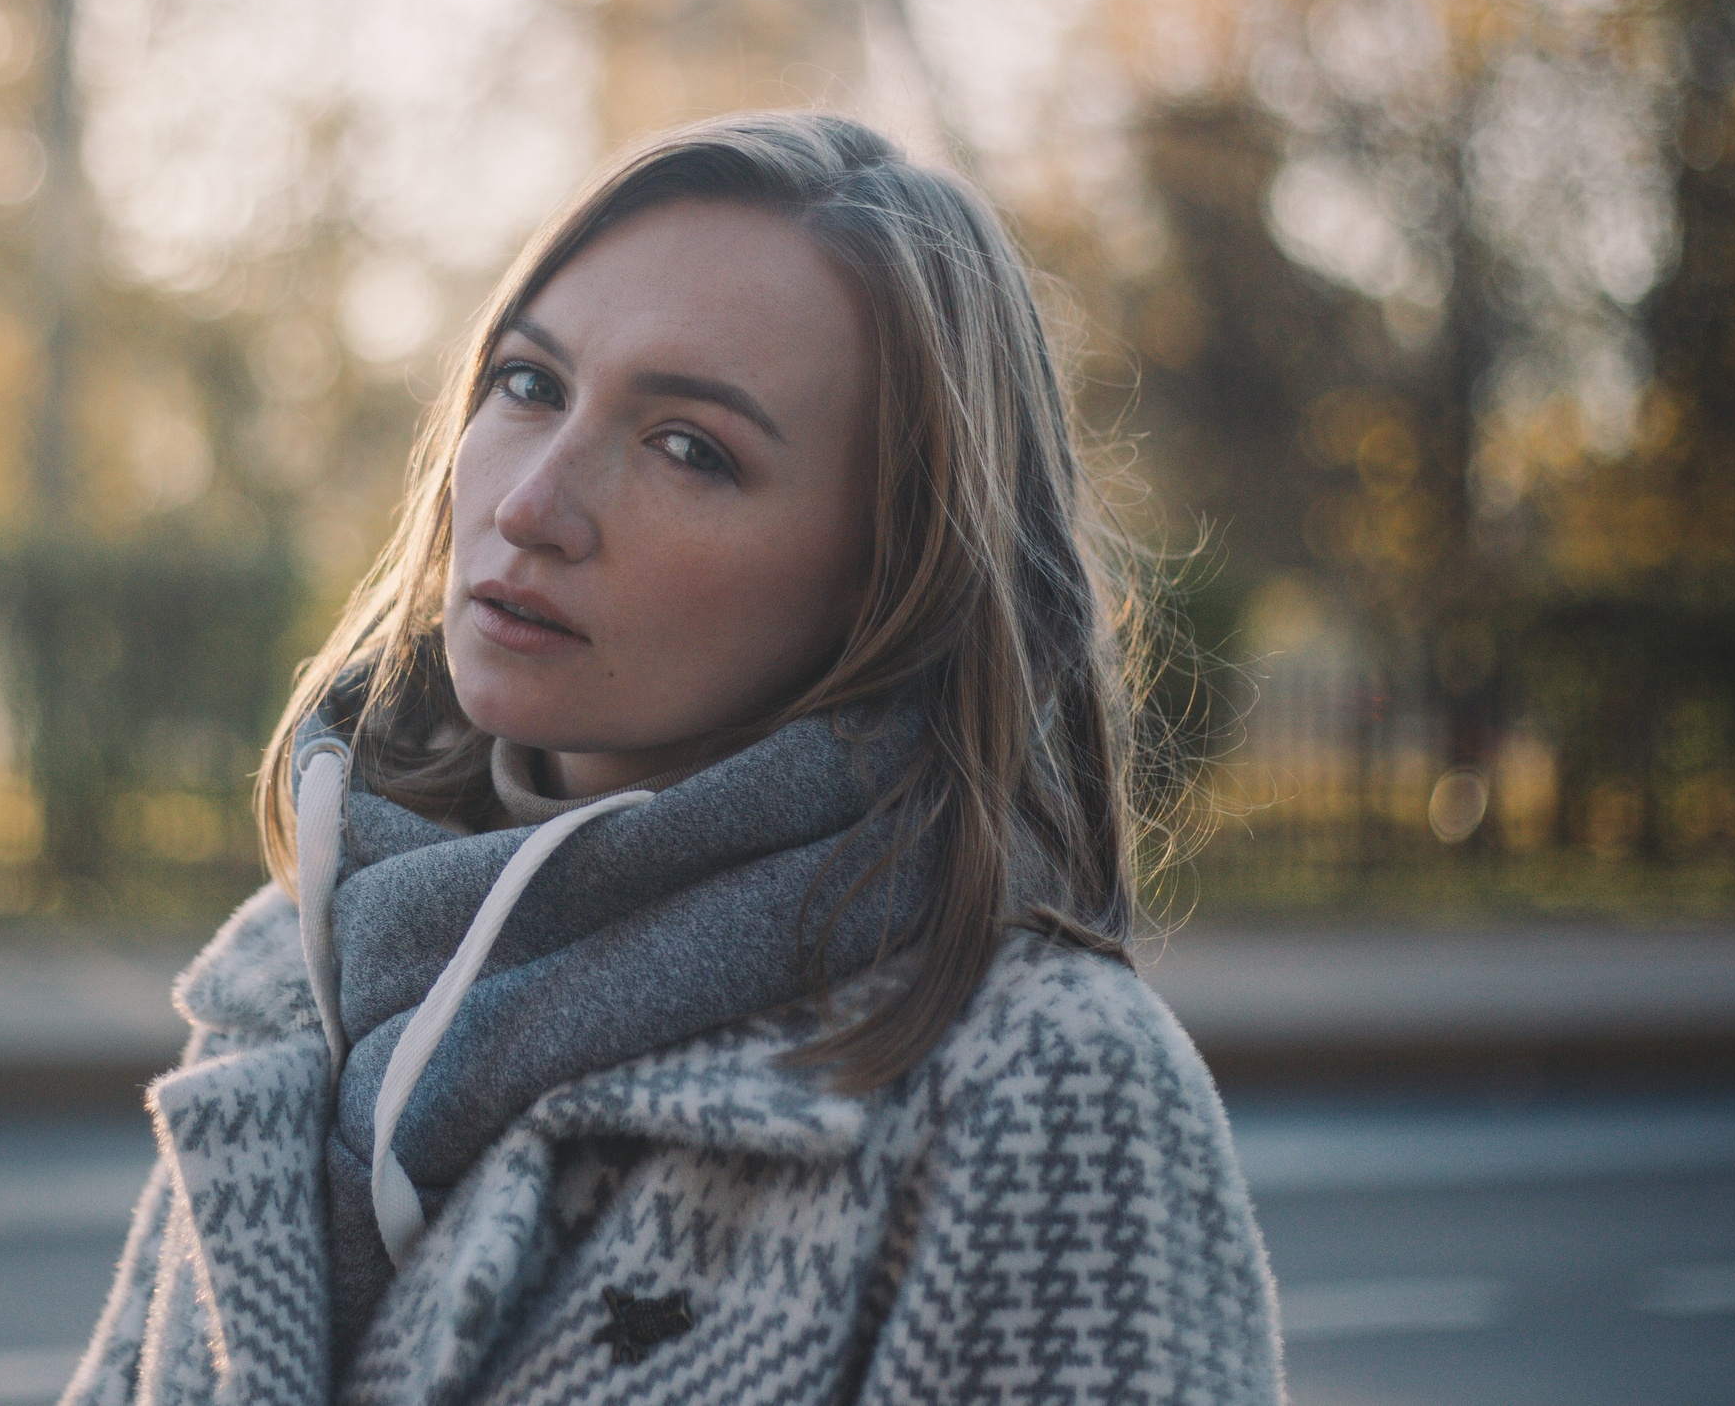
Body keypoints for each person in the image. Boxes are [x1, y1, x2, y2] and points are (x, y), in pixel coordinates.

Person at [62, 112, 1283, 1406]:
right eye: (529, 383)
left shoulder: (1036, 1091)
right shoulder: (296, 978)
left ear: (893, 573)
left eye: (691, 448)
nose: (531, 503)